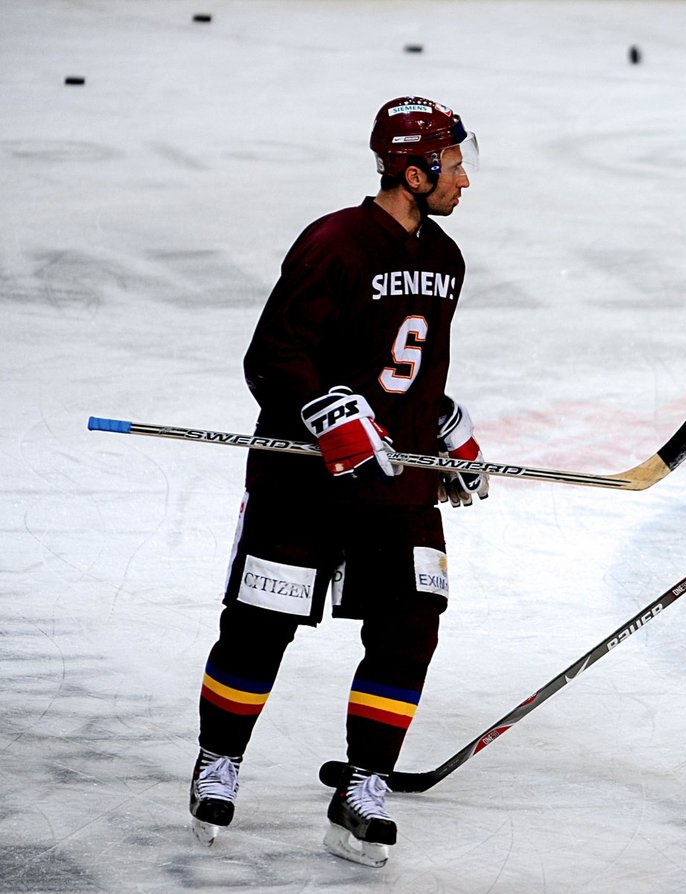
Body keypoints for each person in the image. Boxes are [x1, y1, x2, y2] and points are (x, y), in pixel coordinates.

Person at [187, 96, 488, 868]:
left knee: (413, 618)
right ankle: (219, 760)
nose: (464, 179)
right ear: (414, 172)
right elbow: (273, 359)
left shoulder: (446, 260)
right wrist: (325, 412)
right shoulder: (333, 244)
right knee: (261, 623)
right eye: (453, 165)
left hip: (395, 480)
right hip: (304, 475)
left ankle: (363, 784)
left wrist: (441, 430)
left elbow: (409, 371)